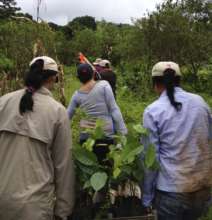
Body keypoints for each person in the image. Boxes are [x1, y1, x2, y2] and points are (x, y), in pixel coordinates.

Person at [0, 56, 75, 220]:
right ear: (53, 78)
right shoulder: (57, 111)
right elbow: (63, 166)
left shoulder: (3, 102)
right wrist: (63, 211)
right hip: (34, 207)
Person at [142, 61, 212, 220]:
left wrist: (147, 197)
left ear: (155, 84)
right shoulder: (201, 103)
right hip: (202, 188)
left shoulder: (153, 111)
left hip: (171, 191)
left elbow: (150, 159)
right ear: (179, 80)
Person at [67, 63, 127, 161]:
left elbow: (67, 117)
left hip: (86, 140)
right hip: (106, 137)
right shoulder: (104, 86)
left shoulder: (76, 95)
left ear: (78, 78)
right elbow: (114, 110)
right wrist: (123, 133)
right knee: (107, 167)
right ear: (94, 74)